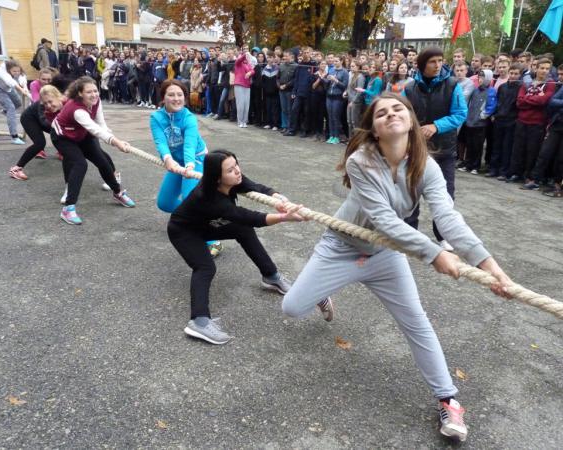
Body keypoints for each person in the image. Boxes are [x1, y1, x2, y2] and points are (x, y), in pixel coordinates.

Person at [282, 92, 512, 443]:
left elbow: (448, 218)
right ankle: (322, 293)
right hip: (341, 247)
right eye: (381, 113)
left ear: (411, 121)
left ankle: (448, 400)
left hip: (385, 255)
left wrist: (491, 266)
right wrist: (434, 254)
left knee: (416, 323)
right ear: (374, 129)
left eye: (398, 109)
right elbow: (384, 220)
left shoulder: (427, 166)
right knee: (292, 307)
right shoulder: (361, 161)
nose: (390, 114)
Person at [168, 149, 317, 344]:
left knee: (243, 229)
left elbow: (256, 187)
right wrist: (284, 217)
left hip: (206, 225)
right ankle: (199, 321)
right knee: (205, 267)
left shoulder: (233, 179)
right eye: (230, 170)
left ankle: (271, 276)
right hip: (184, 231)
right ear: (217, 178)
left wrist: (279, 199)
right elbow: (249, 217)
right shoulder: (210, 199)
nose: (237, 171)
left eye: (236, 165)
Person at [404, 46, 468, 252]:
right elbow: (403, 114)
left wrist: (436, 126)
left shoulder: (452, 85)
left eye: (440, 60)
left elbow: (460, 113)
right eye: (433, 61)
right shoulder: (410, 88)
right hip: (416, 149)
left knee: (446, 195)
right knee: (410, 192)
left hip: (444, 150)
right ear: (422, 64)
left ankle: (443, 235)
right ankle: (409, 234)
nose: (438, 65)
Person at [150, 79, 223, 256]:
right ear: (163, 98)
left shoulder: (189, 118)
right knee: (165, 203)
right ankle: (190, 218)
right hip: (176, 162)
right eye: (171, 95)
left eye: (180, 95)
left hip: (196, 160)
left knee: (191, 201)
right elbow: (161, 142)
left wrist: (189, 164)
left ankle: (213, 239)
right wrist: (168, 159)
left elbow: (190, 144)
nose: (176, 98)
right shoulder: (156, 118)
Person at [51, 76, 135, 225]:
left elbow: (100, 124)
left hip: (82, 133)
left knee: (102, 160)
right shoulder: (77, 109)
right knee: (80, 164)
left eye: (95, 91)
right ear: (80, 93)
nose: (94, 94)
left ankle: (118, 192)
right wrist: (116, 143)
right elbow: (94, 129)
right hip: (63, 136)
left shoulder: (96, 101)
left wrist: (113, 137)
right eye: (89, 92)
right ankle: (68, 209)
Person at [458, 70, 497, 174]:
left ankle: (475, 166)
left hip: (480, 124)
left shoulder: (491, 91)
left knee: (477, 146)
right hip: (470, 121)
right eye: (479, 77)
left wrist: (483, 116)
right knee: (469, 144)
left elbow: (491, 106)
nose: (480, 80)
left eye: (483, 77)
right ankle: (468, 164)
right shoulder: (475, 90)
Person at [0, 59, 32, 145]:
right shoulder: (1, 71)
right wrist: (21, 90)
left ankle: (5, 111)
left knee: (18, 103)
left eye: (18, 71)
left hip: (7, 87)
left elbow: (22, 78)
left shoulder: (18, 71)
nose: (16, 73)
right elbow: (10, 82)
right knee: (11, 108)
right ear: (8, 70)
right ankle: (14, 137)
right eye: (14, 71)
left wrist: (25, 87)